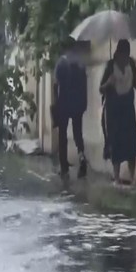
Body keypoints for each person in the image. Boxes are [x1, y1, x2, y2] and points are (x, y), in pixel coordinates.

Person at [100, 39, 136, 186]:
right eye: (122, 54)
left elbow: (135, 82)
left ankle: (132, 178)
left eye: (127, 55)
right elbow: (101, 89)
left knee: (131, 143)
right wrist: (108, 83)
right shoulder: (110, 66)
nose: (124, 58)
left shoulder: (131, 64)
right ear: (118, 53)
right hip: (114, 110)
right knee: (116, 142)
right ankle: (116, 178)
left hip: (127, 108)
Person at [52, 36, 88, 179]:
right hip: (78, 103)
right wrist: (84, 103)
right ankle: (81, 156)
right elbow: (84, 84)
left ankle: (64, 167)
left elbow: (56, 85)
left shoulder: (61, 62)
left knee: (62, 135)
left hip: (64, 102)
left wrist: (56, 101)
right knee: (78, 133)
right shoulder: (80, 63)